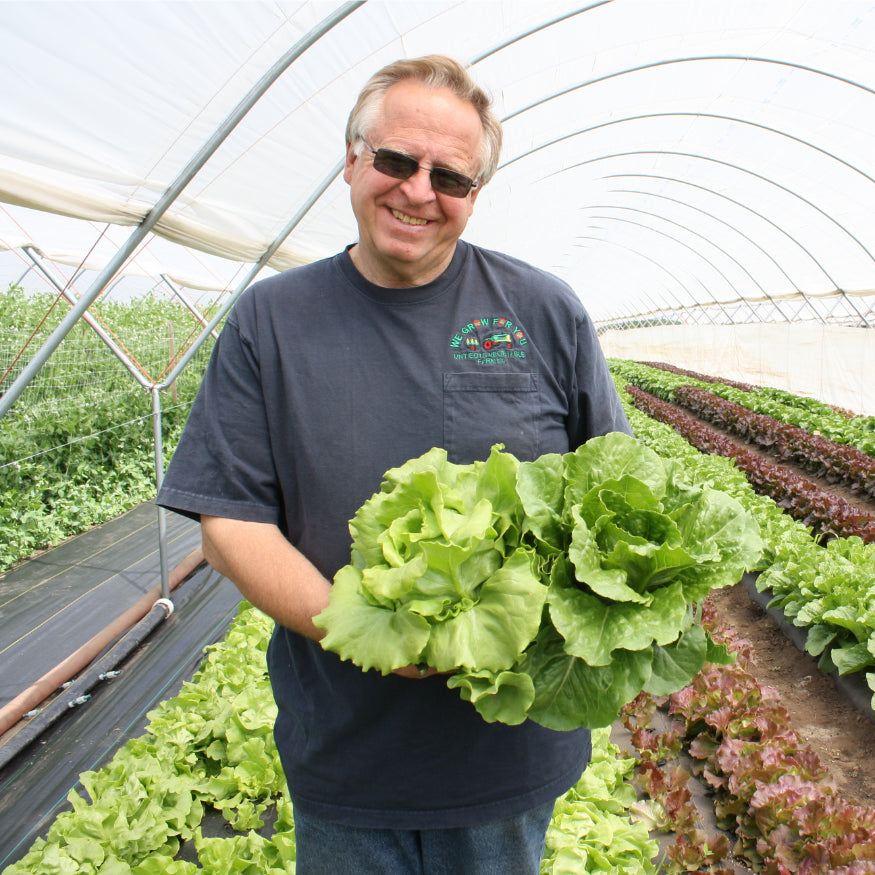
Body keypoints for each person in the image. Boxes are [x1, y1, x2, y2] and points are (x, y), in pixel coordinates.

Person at [157, 54, 632, 874]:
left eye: (450, 176)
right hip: (345, 753)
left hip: (505, 760)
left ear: (475, 193)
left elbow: (608, 494)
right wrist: (369, 628)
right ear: (351, 160)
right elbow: (230, 518)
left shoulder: (542, 310)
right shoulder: (273, 321)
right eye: (394, 161)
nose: (418, 191)